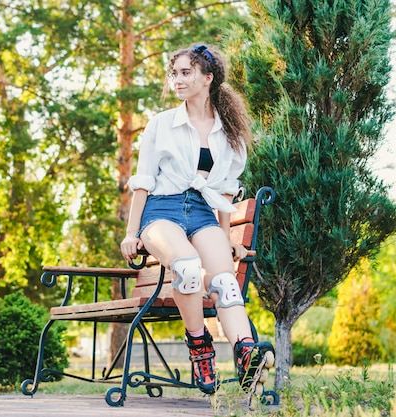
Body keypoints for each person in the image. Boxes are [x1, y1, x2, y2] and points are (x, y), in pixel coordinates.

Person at [120, 44, 275, 395]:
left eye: (186, 72)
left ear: (208, 78)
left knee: (226, 283)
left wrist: (225, 239)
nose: (177, 79)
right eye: (174, 73)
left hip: (203, 213)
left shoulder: (230, 135)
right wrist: (132, 234)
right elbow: (142, 183)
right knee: (188, 268)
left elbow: (222, 195)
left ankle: (246, 352)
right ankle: (199, 347)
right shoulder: (161, 124)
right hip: (162, 211)